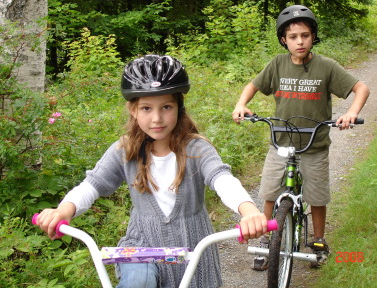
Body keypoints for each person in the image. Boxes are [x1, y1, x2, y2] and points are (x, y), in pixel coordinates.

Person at [36, 54, 268, 288]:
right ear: (133, 110)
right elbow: (92, 185)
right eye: (147, 108)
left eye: (166, 107)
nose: (157, 118)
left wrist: (248, 211)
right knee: (138, 281)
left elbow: (222, 179)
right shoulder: (125, 150)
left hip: (192, 250)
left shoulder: (196, 149)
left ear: (179, 107)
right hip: (141, 245)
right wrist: (64, 210)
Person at [232, 5, 370, 270]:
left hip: (313, 145)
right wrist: (241, 104)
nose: (299, 41)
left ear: (313, 36)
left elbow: (361, 87)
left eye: (305, 35)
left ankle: (318, 239)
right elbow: (253, 85)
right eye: (293, 36)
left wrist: (351, 113)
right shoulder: (277, 64)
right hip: (280, 142)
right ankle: (267, 239)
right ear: (284, 39)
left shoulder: (326, 67)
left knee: (317, 195)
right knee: (270, 192)